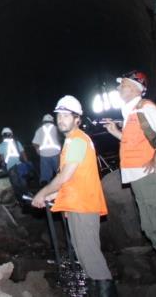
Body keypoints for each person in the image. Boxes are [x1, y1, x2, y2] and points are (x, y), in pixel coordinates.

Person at [102, 70, 156, 286]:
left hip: (152, 175)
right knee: (151, 226)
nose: (119, 88)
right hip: (139, 177)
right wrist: (115, 132)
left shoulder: (145, 107)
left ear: (134, 88)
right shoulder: (130, 113)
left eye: (122, 85)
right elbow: (133, 143)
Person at [32, 96, 116, 297]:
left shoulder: (78, 141)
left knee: (90, 255)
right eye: (59, 115)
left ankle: (106, 292)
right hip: (76, 204)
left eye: (66, 115)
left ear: (77, 118)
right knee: (83, 254)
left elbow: (65, 176)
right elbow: (71, 180)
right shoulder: (71, 142)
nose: (61, 119)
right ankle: (97, 291)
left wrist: (42, 193)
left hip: (85, 205)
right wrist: (50, 196)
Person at [0, 127, 29, 199]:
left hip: (10, 168)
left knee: (16, 185)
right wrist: (27, 163)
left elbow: (1, 159)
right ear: (11, 134)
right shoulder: (17, 143)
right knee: (23, 183)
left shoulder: (1, 145)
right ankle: (27, 198)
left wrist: (2, 163)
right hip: (20, 166)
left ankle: (20, 200)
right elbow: (23, 154)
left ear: (3, 136)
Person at [32, 113, 62, 184]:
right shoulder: (56, 128)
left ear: (43, 121)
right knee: (60, 173)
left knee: (45, 175)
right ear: (52, 121)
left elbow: (34, 143)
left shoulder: (39, 130)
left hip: (44, 154)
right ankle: (62, 188)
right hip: (56, 153)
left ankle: (45, 187)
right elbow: (61, 139)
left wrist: (37, 149)